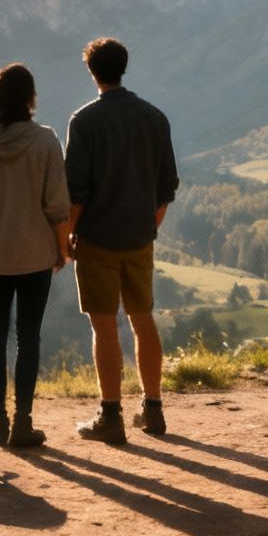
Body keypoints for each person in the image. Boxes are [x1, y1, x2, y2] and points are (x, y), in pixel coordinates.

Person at [63, 37, 177, 444]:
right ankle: (153, 409)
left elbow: (74, 193)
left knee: (104, 324)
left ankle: (110, 416)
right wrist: (149, 227)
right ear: (123, 67)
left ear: (92, 71)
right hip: (140, 237)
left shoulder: (84, 121)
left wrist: (67, 237)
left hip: (97, 239)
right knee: (143, 320)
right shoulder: (155, 118)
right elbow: (166, 190)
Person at [0, 63, 72, 448]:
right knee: (29, 336)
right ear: (29, 99)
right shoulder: (47, 141)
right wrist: (61, 247)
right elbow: (58, 204)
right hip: (36, 254)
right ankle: (23, 422)